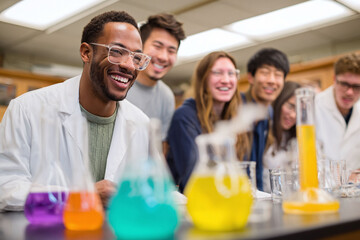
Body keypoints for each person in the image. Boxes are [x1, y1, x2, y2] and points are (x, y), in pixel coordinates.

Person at [0, 11, 151, 210]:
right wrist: (79, 196)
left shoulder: (140, 123)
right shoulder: (26, 109)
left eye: (136, 57)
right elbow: (6, 188)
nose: (128, 65)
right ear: (86, 53)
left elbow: (147, 191)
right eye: (116, 51)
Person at [166, 51, 250, 193]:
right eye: (217, 73)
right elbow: (194, 180)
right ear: (203, 79)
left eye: (231, 73)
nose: (226, 80)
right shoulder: (184, 117)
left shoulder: (234, 117)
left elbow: (243, 172)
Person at [126, 13, 186, 142]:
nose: (163, 57)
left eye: (171, 51)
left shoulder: (167, 96)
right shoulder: (118, 84)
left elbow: (159, 147)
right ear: (140, 47)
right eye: (157, 46)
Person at [242, 48, 290, 191]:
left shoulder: (268, 112)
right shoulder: (236, 107)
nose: (271, 80)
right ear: (251, 77)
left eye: (278, 75)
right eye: (265, 73)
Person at [315, 53, 360, 173]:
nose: (350, 92)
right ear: (334, 79)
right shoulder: (314, 107)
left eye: (357, 86)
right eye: (345, 84)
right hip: (323, 188)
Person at [262, 81, 301, 193]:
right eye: (290, 106)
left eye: (298, 110)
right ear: (279, 101)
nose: (293, 115)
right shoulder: (263, 131)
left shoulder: (295, 138)